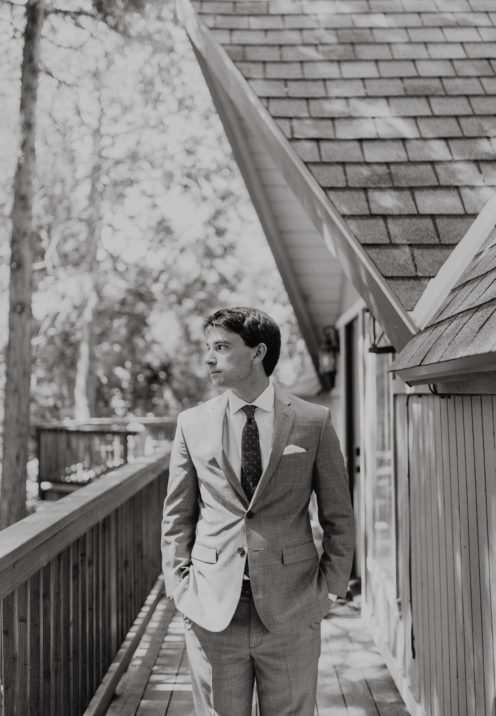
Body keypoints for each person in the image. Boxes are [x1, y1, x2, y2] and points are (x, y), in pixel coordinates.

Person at [161, 307, 354, 716]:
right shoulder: (192, 423)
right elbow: (177, 516)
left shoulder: (313, 421)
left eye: (221, 347)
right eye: (208, 347)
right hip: (212, 607)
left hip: (293, 606)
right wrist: (179, 588)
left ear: (257, 352)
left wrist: (331, 589)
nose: (209, 358)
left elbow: (339, 515)